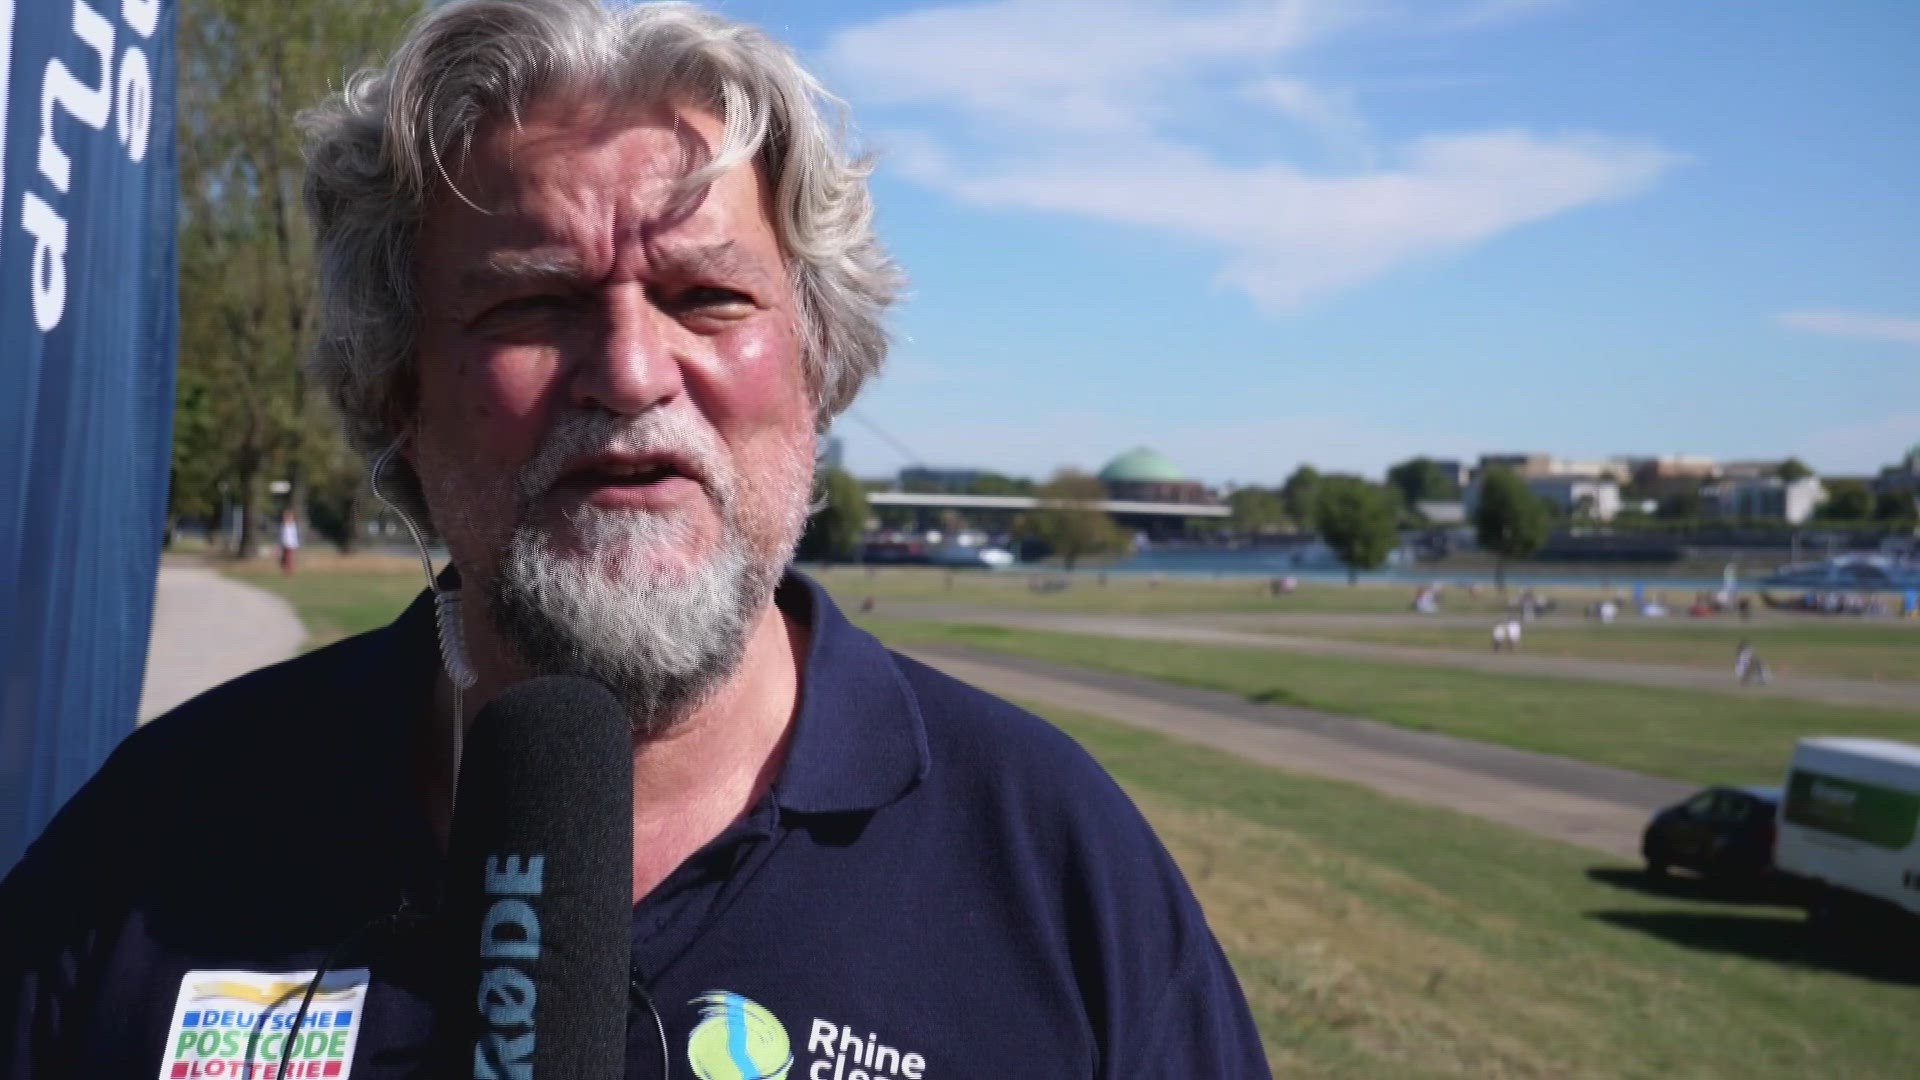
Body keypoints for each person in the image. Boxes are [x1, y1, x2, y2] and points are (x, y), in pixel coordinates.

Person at [0, 3, 1270, 1077]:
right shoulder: (154, 841)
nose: (628, 369)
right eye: (531, 301)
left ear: (820, 361)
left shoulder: (1055, 870)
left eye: (706, 295)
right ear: (397, 388)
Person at [277, 508, 301, 575]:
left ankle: (288, 572)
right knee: (283, 559)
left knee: (289, 559)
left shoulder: (292, 526)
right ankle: (285, 570)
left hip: (290, 544)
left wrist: (296, 545)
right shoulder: (282, 525)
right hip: (283, 544)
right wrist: (278, 545)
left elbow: (294, 536)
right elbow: (280, 536)